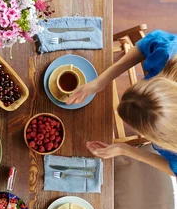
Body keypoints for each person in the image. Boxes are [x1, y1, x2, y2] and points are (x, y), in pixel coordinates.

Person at [67, 29, 177, 177]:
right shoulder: (167, 54)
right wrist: (101, 81)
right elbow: (145, 44)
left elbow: (174, 170)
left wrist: (124, 149)